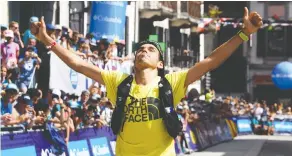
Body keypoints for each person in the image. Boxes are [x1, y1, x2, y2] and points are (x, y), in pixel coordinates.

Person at [31, 7, 262, 156]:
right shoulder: (118, 82)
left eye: (150, 49)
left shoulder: (171, 83)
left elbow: (211, 61)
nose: (144, 51)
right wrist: (47, 40)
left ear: (160, 64)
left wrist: (243, 34)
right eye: (141, 49)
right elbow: (78, 64)